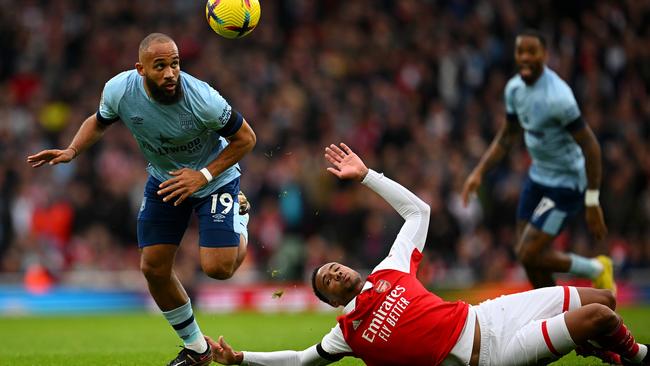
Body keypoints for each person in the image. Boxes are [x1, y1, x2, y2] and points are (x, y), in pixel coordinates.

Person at [206, 142, 648, 366]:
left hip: (489, 315)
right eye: (327, 281)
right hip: (493, 355)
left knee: (604, 301)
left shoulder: (388, 271)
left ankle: (597, 350)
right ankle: (638, 357)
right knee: (603, 319)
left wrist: (366, 176)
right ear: (334, 301)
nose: (334, 272)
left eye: (333, 267)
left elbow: (419, 211)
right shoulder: (347, 334)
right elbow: (301, 360)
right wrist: (241, 358)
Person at [27, 32, 256, 366]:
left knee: (219, 268)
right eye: (160, 66)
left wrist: (202, 176)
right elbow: (100, 121)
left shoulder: (203, 99)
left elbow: (246, 138)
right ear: (141, 69)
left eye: (175, 64)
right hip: (165, 181)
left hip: (214, 180)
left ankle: (241, 217)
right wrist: (72, 149)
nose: (170, 73)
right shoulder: (120, 90)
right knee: (153, 268)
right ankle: (196, 349)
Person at [461, 29, 615, 291]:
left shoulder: (559, 98)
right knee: (529, 258)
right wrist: (479, 172)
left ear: (545, 54)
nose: (525, 57)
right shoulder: (514, 89)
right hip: (538, 178)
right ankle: (557, 315)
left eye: (532, 51)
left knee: (527, 252)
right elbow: (506, 137)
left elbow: (591, 147)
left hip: (566, 184)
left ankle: (597, 269)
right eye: (521, 51)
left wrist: (592, 200)